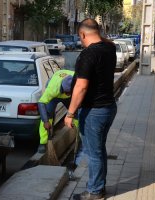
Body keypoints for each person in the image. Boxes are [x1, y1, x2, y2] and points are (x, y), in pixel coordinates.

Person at [64, 18, 117, 200]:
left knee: (93, 154)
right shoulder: (109, 48)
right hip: (109, 107)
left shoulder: (88, 55)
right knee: (99, 150)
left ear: (83, 34)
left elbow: (81, 87)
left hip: (94, 111)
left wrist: (70, 113)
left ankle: (94, 192)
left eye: (80, 37)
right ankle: (99, 187)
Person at [37, 69, 77, 153]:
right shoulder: (52, 89)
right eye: (67, 92)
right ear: (63, 89)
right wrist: (45, 121)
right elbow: (41, 103)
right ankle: (43, 142)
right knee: (48, 114)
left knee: (76, 113)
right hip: (54, 96)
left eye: (70, 92)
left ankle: (81, 136)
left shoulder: (77, 79)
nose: (68, 94)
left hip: (69, 96)